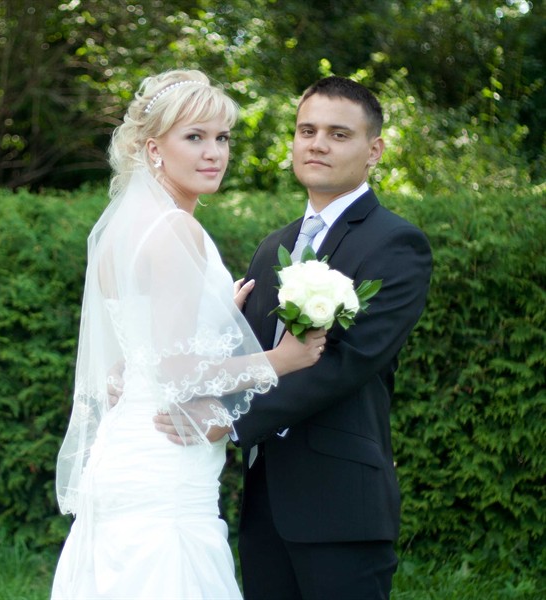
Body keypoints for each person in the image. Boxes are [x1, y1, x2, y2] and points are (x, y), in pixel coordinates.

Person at [51, 69, 326, 599]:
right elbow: (176, 373)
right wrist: (282, 359)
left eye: (222, 138)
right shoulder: (176, 230)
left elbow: (139, 353)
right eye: (195, 137)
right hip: (165, 458)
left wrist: (217, 314)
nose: (213, 153)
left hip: (128, 446)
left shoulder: (124, 231)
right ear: (154, 149)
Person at [158, 76, 433, 599]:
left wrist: (228, 420)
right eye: (307, 131)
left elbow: (346, 363)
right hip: (264, 503)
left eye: (338, 134)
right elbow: (248, 355)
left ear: (374, 150)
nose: (317, 144)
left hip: (341, 504)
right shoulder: (273, 246)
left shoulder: (396, 243)